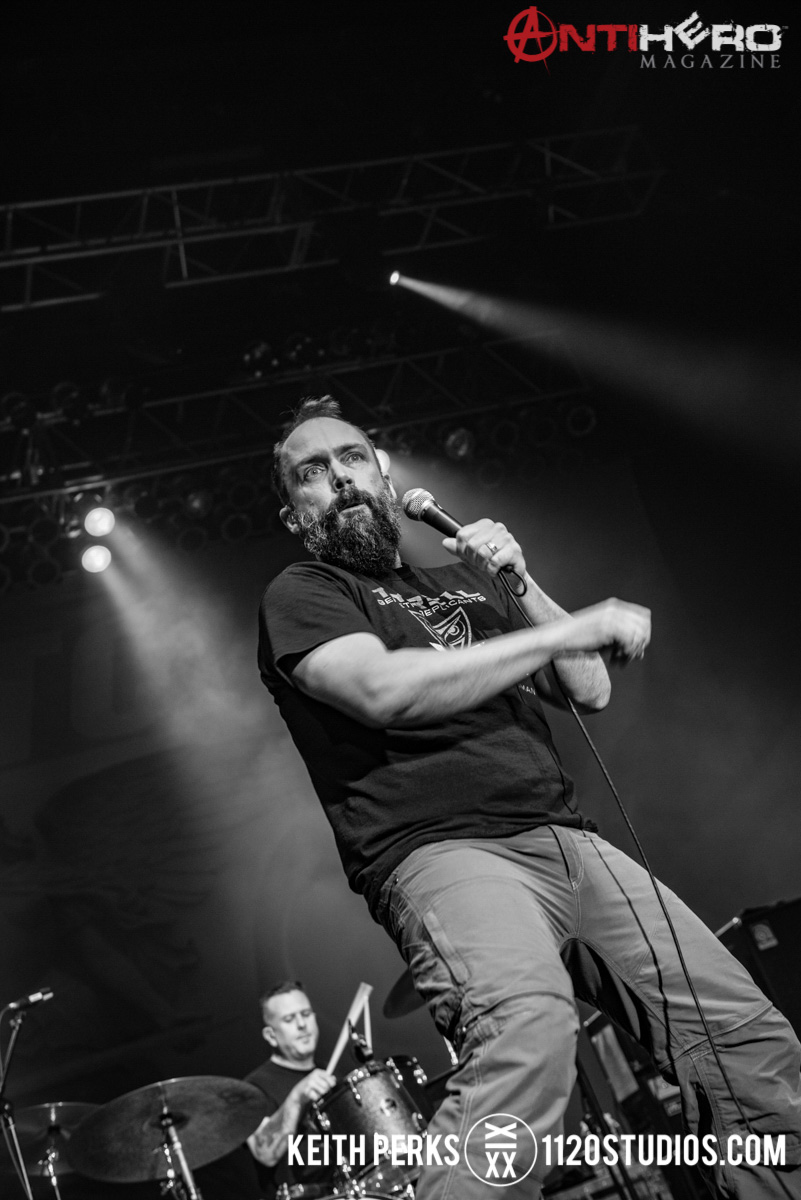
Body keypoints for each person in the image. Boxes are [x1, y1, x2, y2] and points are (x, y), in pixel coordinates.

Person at [258, 395, 801, 1199]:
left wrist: (520, 581)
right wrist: (565, 628)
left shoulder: (461, 577)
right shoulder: (302, 591)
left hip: (566, 839)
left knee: (745, 1040)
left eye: (352, 459)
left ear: (385, 477)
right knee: (526, 1037)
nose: (338, 478)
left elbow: (586, 689)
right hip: (441, 851)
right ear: (293, 513)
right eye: (312, 471)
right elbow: (380, 690)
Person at [245, 980, 336, 1199]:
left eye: (306, 1014)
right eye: (289, 1019)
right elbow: (265, 1153)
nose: (302, 1024)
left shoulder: (331, 1076)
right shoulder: (252, 1089)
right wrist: (296, 1098)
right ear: (271, 1035)